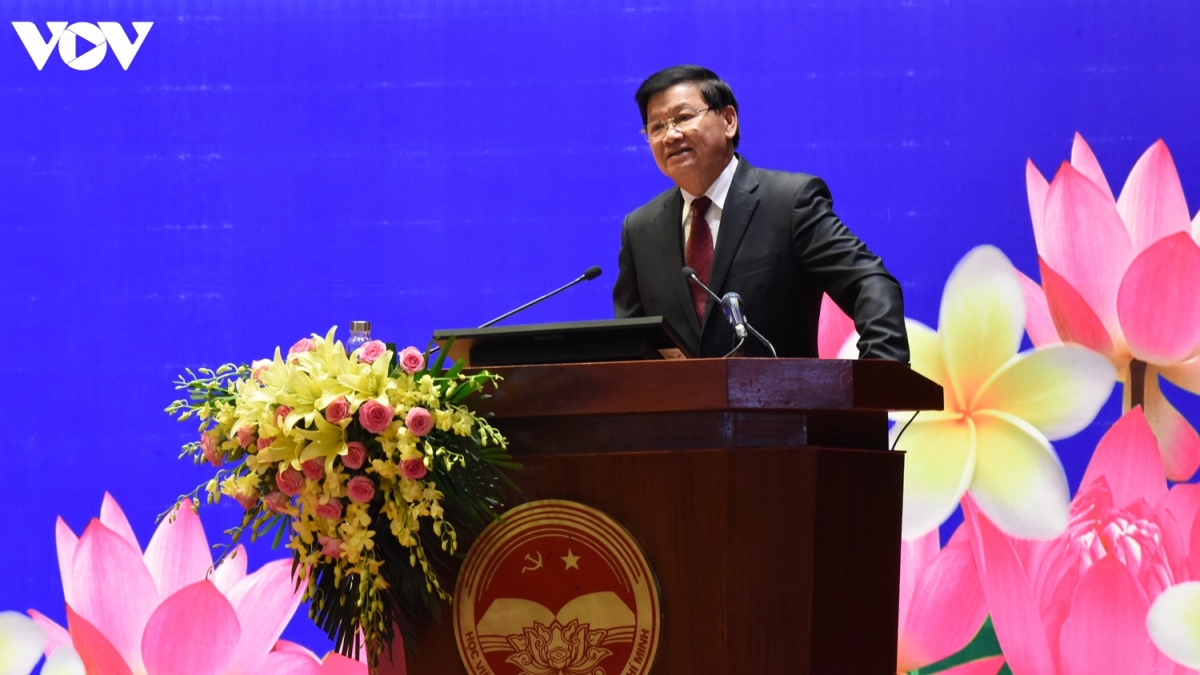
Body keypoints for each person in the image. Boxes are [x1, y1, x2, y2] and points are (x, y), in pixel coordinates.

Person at [613, 65, 910, 362]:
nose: (670, 135)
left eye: (683, 118)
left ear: (729, 120)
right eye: (657, 127)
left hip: (783, 391)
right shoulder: (640, 229)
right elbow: (631, 343)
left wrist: (879, 373)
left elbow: (869, 282)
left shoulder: (788, 203)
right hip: (680, 394)